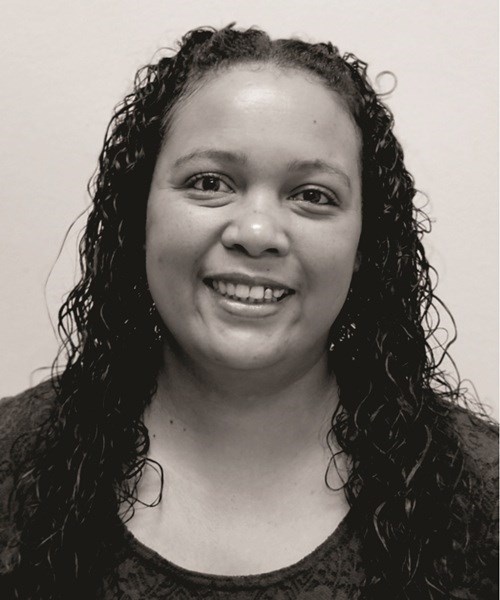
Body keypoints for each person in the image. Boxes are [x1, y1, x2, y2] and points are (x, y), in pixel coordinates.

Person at [0, 24, 497, 600]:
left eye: (312, 195)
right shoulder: (11, 463)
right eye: (210, 182)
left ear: (365, 244)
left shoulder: (485, 498)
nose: (257, 233)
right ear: (139, 214)